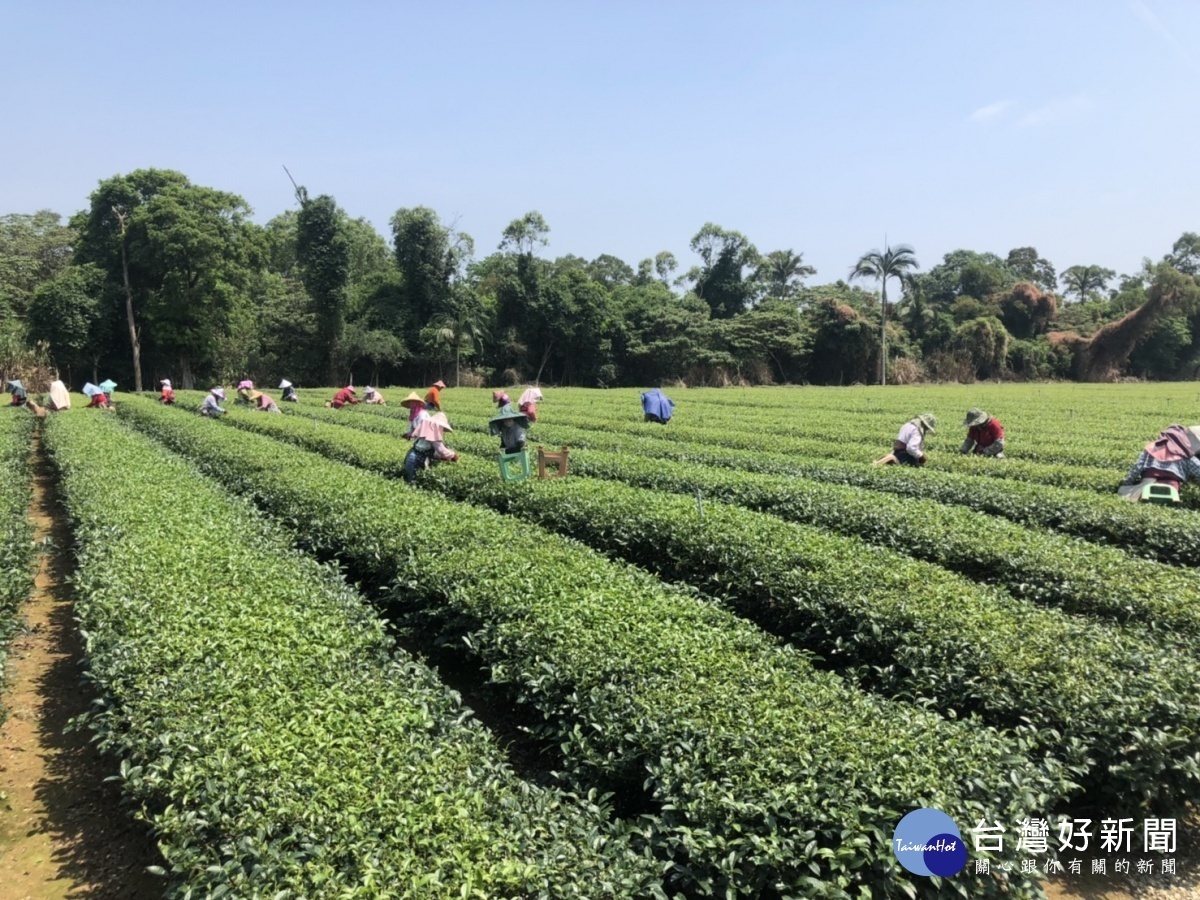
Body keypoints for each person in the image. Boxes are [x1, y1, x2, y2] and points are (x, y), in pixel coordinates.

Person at [1118, 425, 1200, 502]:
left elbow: (1137, 467)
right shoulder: (1185, 454)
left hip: (1147, 482)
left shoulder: (1152, 447)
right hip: (1171, 487)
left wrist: (1126, 483)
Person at [404, 411, 458, 482]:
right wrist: (453, 455)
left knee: (410, 481)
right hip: (417, 460)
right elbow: (441, 450)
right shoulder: (433, 433)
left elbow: (432, 452)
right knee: (413, 482)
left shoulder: (426, 432)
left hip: (410, 456)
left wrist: (442, 457)